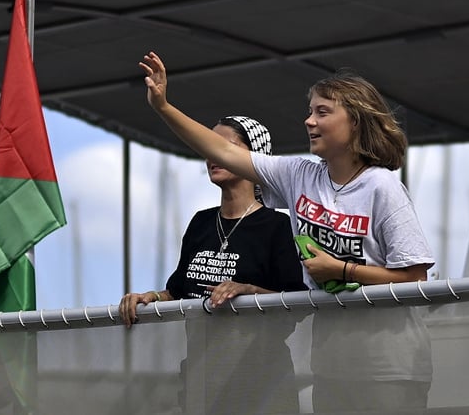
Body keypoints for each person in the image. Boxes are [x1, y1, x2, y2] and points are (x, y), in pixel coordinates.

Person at [138, 51, 435, 411]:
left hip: (390, 369)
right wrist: (163, 107)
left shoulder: (382, 187)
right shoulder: (300, 176)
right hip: (331, 367)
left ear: (356, 122)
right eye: (310, 111)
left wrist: (342, 271)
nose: (309, 121)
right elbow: (220, 150)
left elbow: (415, 278)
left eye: (322, 112)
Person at [119, 115, 307, 414]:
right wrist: (150, 298)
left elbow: (297, 306)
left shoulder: (278, 226)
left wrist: (248, 290)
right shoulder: (201, 222)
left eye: (223, 146)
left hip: (261, 381)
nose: (212, 155)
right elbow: (180, 292)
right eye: (209, 146)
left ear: (252, 158)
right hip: (202, 378)